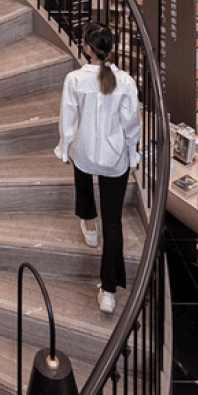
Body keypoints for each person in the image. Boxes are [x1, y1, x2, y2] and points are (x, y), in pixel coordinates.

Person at [55, 21, 141, 314]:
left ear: (87, 49)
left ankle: (88, 222)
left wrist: (64, 147)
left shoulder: (75, 80)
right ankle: (108, 291)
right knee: (114, 224)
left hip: (85, 153)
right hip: (114, 159)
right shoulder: (126, 82)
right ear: (111, 50)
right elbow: (132, 125)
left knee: (80, 162)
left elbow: (68, 121)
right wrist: (132, 155)